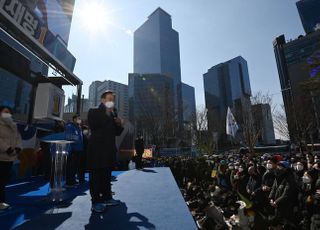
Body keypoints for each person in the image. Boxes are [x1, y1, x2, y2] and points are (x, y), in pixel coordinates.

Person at [87, 91, 124, 213]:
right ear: (102, 100)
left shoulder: (113, 114)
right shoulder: (94, 111)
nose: (112, 102)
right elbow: (94, 126)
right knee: (96, 176)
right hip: (97, 150)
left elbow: (117, 132)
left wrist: (119, 124)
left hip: (109, 150)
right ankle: (96, 201)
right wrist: (108, 114)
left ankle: (107, 197)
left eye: (113, 99)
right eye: (109, 99)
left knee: (107, 176)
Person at [0, 106, 22, 210]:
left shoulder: (13, 125)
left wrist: (17, 148)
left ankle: (2, 202)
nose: (7, 114)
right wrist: (7, 149)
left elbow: (18, 138)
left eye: (9, 112)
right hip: (2, 156)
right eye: (5, 112)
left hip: (9, 158)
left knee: (3, 180)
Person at [65, 115, 84, 187]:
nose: (80, 120)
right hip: (73, 150)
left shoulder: (78, 127)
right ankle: (69, 182)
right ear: (74, 119)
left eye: (80, 119)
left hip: (79, 150)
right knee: (71, 166)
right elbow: (69, 137)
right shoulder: (70, 126)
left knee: (75, 167)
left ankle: (73, 180)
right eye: (78, 119)